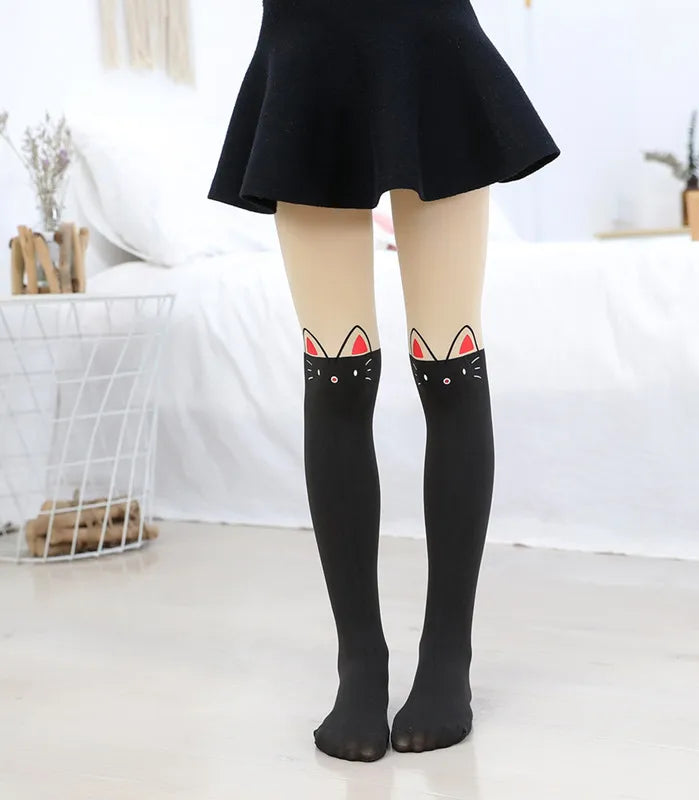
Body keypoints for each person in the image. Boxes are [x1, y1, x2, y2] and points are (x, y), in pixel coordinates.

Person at [208, 0, 560, 762]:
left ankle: (447, 655)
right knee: (335, 374)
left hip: (428, 34)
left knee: (449, 362)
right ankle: (359, 660)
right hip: (307, 47)